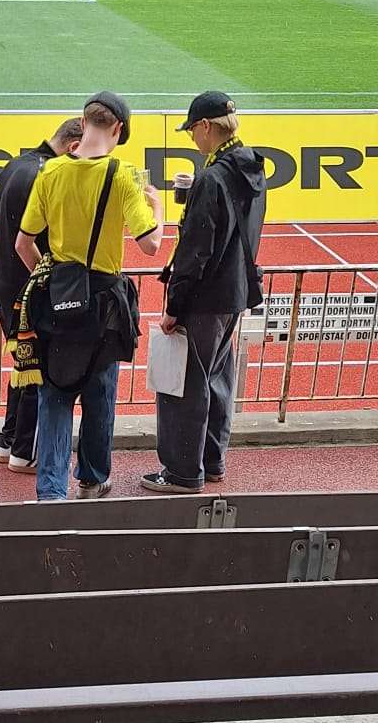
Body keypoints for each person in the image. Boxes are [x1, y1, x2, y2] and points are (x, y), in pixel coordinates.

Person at [15, 93, 161, 503]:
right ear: (118, 129)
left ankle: (51, 492)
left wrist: (50, 279)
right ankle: (92, 480)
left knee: (54, 393)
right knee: (100, 396)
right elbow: (151, 244)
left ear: (83, 122)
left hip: (59, 298)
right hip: (105, 303)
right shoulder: (124, 175)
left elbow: (23, 243)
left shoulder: (51, 171)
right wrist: (159, 208)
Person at [141, 92, 266, 495]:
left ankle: (182, 472)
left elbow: (195, 252)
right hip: (235, 293)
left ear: (207, 126)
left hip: (204, 299)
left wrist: (174, 306)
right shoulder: (251, 169)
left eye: (193, 129)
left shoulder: (211, 179)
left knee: (184, 385)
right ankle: (212, 461)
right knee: (217, 380)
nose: (192, 137)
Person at [0, 116, 85, 471]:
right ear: (73, 147)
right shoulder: (47, 176)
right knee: (36, 367)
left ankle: (9, 440)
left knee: (23, 363)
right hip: (27, 285)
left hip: (1, 279)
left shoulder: (14, 165)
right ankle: (24, 451)